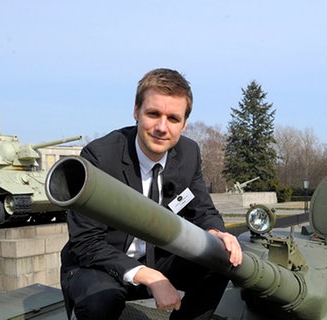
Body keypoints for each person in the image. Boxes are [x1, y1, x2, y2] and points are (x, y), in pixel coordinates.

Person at [60, 68, 243, 320]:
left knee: (220, 262)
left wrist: (218, 233)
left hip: (157, 259)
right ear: (136, 112)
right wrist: (150, 276)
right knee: (100, 302)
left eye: (173, 118)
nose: (161, 127)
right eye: (153, 114)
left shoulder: (189, 154)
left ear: (184, 124)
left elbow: (203, 211)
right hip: (99, 264)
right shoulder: (100, 157)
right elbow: (86, 242)